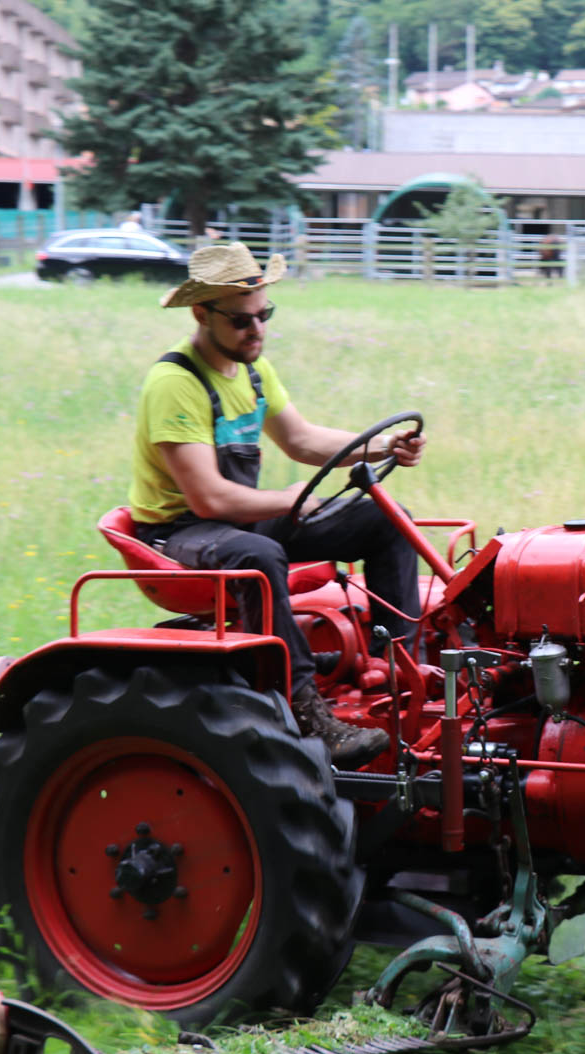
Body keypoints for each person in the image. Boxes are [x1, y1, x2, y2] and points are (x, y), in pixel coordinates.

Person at [128, 243, 425, 766]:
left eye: (264, 315)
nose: (257, 330)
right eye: (241, 320)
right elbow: (208, 497)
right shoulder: (175, 384)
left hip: (237, 518)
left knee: (387, 518)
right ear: (201, 315)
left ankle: (398, 667)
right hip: (181, 531)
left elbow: (302, 440)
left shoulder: (251, 369)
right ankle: (305, 710)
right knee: (259, 556)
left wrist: (383, 446)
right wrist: (286, 501)